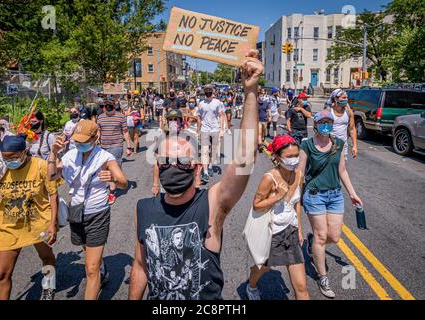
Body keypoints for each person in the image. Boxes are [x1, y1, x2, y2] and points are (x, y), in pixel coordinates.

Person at [129, 49, 263, 300]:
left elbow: (245, 157)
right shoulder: (143, 209)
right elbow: (140, 266)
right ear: (157, 165)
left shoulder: (212, 205)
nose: (173, 166)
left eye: (182, 161)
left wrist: (251, 91)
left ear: (197, 168)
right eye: (166, 161)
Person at [48, 120, 128, 300]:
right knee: (89, 254)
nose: (80, 144)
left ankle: (97, 272)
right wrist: (53, 154)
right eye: (77, 140)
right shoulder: (70, 155)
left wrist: (113, 179)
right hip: (76, 212)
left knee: (90, 269)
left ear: (95, 137)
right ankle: (102, 269)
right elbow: (51, 176)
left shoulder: (105, 158)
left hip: (98, 213)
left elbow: (124, 182)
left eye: (84, 141)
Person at [0, 135, 58, 300]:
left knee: (46, 257)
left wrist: (53, 224)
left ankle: (48, 286)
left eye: (13, 157)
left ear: (25, 151)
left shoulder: (40, 165)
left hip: (38, 223)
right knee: (1, 274)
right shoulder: (0, 170)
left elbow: (53, 194)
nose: (9, 161)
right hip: (9, 227)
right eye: (5, 158)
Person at [298, 110, 363, 299]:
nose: (326, 125)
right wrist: (294, 198)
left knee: (334, 237)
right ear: (316, 124)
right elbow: (300, 173)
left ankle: (313, 244)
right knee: (321, 235)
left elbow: (342, 170)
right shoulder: (307, 145)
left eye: (329, 122)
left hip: (335, 195)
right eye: (323, 121)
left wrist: (352, 193)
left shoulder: (339, 144)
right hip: (314, 194)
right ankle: (322, 277)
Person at [246, 135, 309, 300]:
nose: (294, 160)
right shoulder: (269, 178)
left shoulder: (299, 175)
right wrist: (277, 196)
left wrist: (300, 229)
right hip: (272, 232)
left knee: (301, 287)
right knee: (264, 267)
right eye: (289, 157)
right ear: (277, 156)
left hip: (291, 231)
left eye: (296, 155)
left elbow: (297, 204)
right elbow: (256, 205)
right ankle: (251, 287)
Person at [97, 100, 130, 205]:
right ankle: (114, 182)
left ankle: (112, 192)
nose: (108, 108)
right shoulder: (100, 117)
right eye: (106, 107)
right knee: (104, 168)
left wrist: (128, 146)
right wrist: (96, 140)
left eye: (110, 106)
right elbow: (98, 131)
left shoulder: (121, 117)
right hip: (103, 147)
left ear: (114, 107)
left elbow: (125, 132)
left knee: (114, 168)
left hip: (116, 146)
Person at [197, 84, 224, 183]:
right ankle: (205, 172)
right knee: (204, 150)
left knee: (213, 150)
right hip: (204, 129)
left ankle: (211, 166)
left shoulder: (217, 102)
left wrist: (221, 129)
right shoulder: (201, 103)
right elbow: (199, 117)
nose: (208, 91)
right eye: (206, 90)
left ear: (212, 91)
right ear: (204, 91)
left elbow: (221, 115)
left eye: (210, 89)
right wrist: (198, 129)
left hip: (215, 129)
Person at [327, 89, 358, 160]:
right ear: (336, 98)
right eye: (343, 98)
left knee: (341, 168)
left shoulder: (349, 112)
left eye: (347, 98)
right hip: (329, 145)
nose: (346, 100)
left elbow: (352, 129)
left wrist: (355, 146)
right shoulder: (328, 112)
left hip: (343, 146)